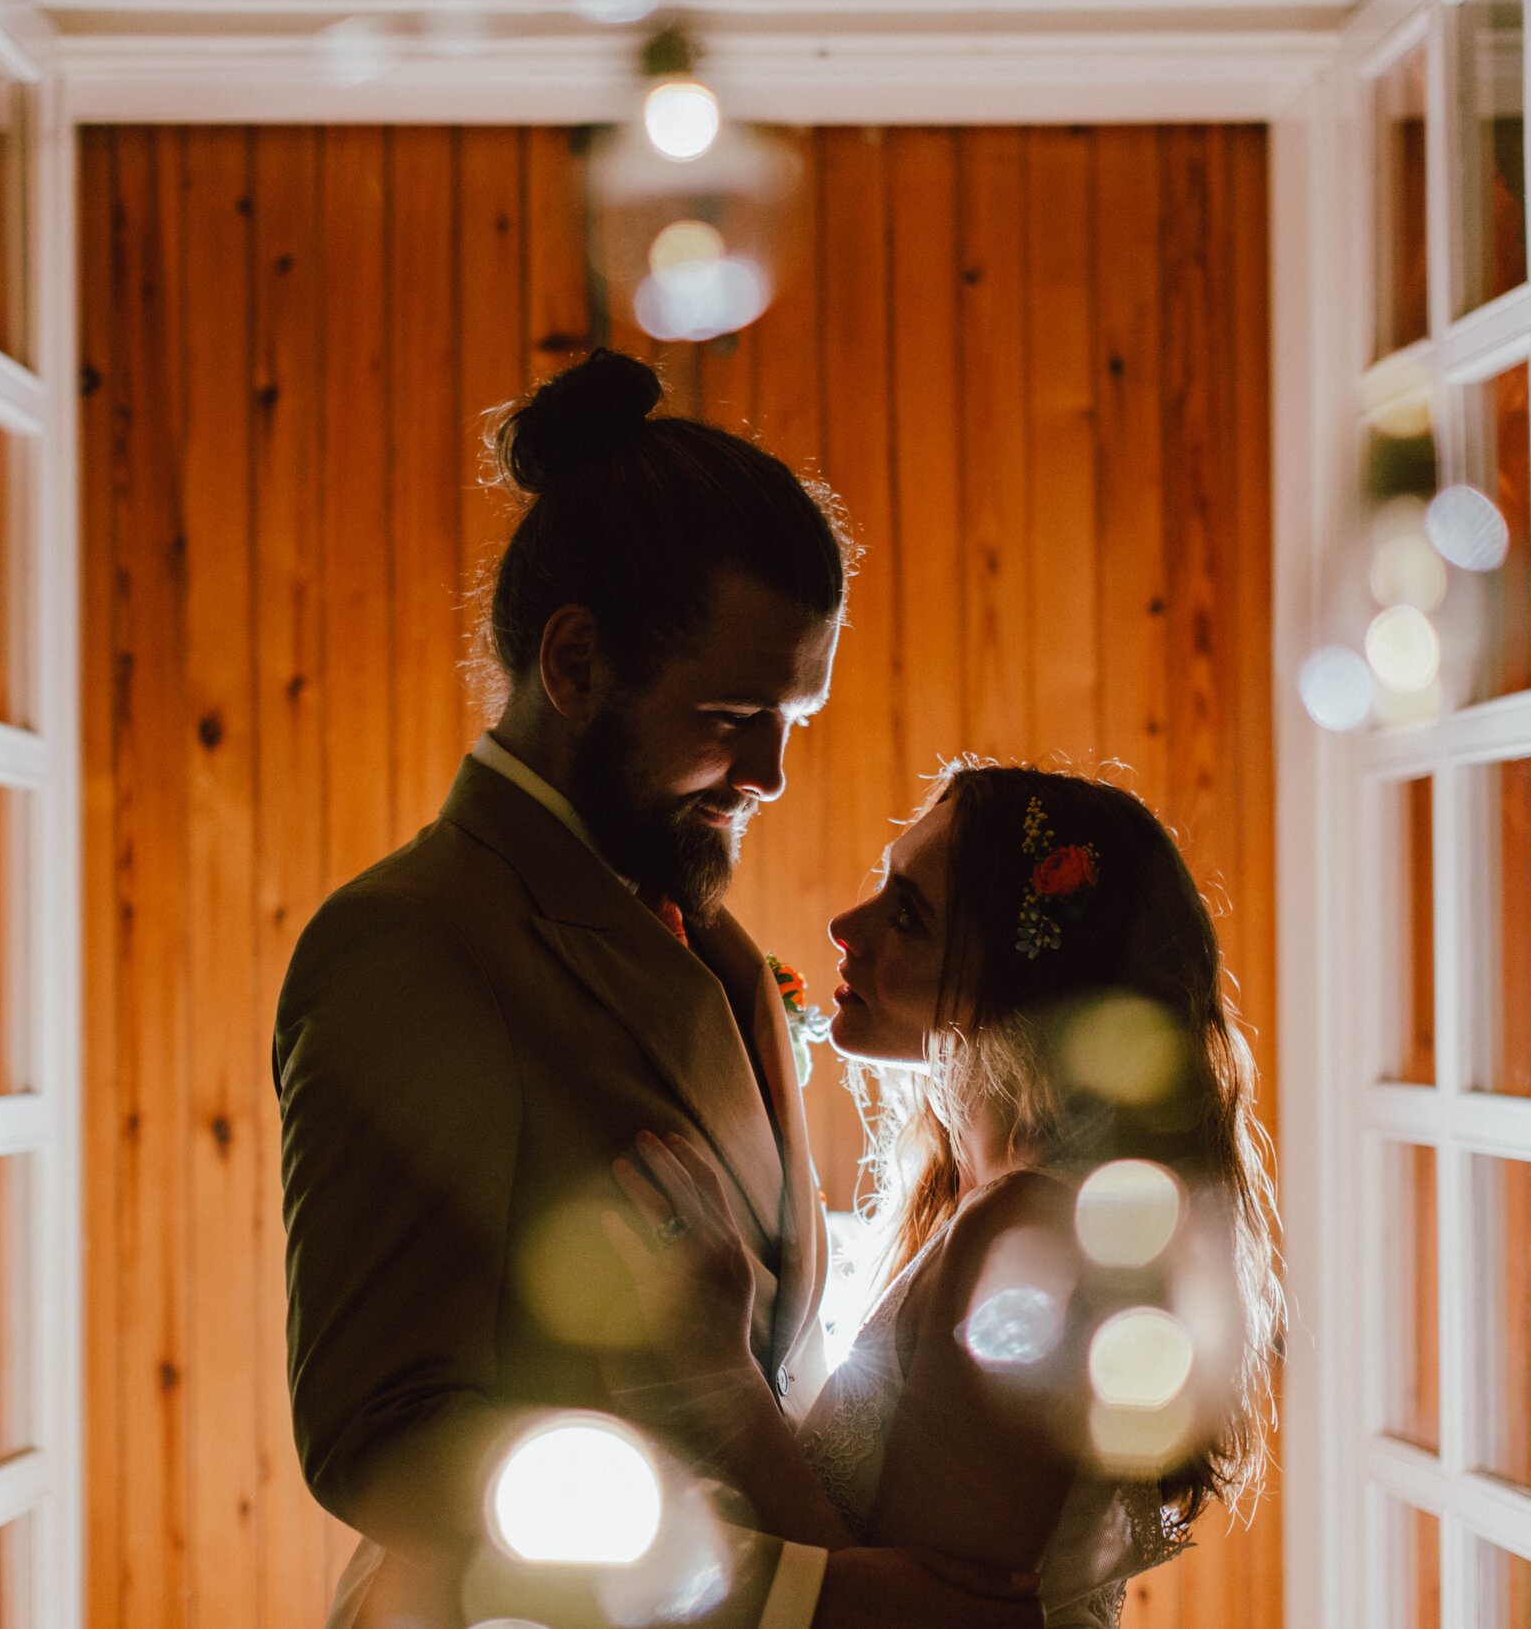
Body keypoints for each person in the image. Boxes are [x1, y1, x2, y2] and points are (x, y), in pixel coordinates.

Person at [274, 352, 1048, 1629]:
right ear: (575, 663)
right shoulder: (410, 947)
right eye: (734, 711)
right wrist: (804, 1593)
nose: (771, 771)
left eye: (793, 714)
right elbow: (383, 1438)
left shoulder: (717, 946)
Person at [612, 763, 1283, 1628]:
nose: (843, 926)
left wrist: (715, 1365)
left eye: (908, 916)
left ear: (1020, 994)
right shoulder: (991, 1194)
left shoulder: (1027, 1233)